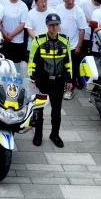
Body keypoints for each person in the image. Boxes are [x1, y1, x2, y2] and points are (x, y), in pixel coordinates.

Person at [28, 13, 72, 147]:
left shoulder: (65, 40)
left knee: (56, 111)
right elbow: (32, 61)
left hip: (58, 82)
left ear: (59, 26)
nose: (54, 27)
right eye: (51, 25)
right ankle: (38, 135)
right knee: (39, 110)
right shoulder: (38, 40)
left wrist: (69, 80)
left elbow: (68, 61)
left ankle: (55, 135)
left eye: (56, 25)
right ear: (47, 25)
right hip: (42, 81)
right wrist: (32, 78)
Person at [55, 0, 87, 99]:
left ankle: (69, 89)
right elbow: (55, 25)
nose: (70, 1)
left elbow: (82, 29)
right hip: (59, 44)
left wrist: (79, 46)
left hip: (73, 45)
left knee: (71, 69)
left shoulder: (79, 11)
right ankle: (59, 87)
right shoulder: (58, 9)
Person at [0, 0, 29, 64]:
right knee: (3, 63)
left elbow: (23, 24)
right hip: (3, 38)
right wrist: (4, 34)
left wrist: (11, 35)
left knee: (15, 63)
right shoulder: (2, 3)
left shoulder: (23, 6)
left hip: (17, 40)